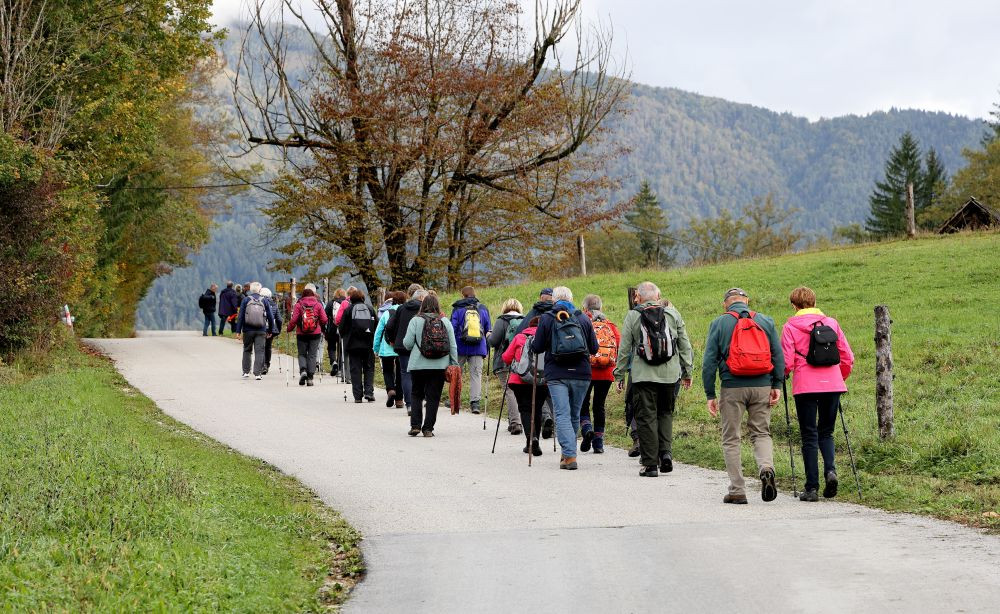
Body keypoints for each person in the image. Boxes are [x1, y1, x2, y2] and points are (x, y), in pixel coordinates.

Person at [703, 288, 784, 504]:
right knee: (761, 433)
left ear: (725, 305)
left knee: (731, 438)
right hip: (762, 385)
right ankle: (766, 468)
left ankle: (737, 490)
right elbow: (778, 354)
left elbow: (709, 361)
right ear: (747, 302)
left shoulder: (719, 323)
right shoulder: (765, 321)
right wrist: (776, 384)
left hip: (732, 387)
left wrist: (710, 393)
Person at [781, 286, 855, 502]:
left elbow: (786, 362)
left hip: (805, 386)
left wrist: (782, 376)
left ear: (794, 305)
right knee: (827, 432)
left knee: (809, 435)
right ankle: (830, 471)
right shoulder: (832, 323)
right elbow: (847, 356)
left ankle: (811, 488)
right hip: (833, 385)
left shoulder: (790, 327)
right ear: (814, 302)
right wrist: (839, 376)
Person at [614, 282, 694, 477]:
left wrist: (619, 374)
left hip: (643, 376)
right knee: (665, 413)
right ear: (658, 296)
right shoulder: (672, 314)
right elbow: (684, 344)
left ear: (638, 298)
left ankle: (650, 464)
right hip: (670, 375)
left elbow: (625, 348)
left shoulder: (633, 315)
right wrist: (687, 371)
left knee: (646, 417)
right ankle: (666, 454)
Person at [529, 286, 598, 470]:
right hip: (582, 374)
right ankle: (567, 453)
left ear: (554, 300)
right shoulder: (583, 318)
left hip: (557, 374)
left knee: (561, 414)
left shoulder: (547, 318)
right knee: (574, 414)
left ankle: (569, 455)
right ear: (572, 298)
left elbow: (537, 347)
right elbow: (594, 348)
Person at [403, 293, 458, 437]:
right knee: (433, 397)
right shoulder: (445, 321)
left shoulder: (415, 320)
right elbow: (452, 345)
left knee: (416, 394)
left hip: (418, 365)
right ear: (437, 305)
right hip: (440, 365)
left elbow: (408, 344)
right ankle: (428, 429)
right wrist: (454, 363)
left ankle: (415, 425)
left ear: (422, 305)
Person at [580, 294, 620, 454]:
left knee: (583, 403)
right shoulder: (610, 326)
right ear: (601, 308)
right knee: (599, 405)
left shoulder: (583, 324)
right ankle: (598, 442)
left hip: (586, 371)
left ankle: (587, 429)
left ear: (585, 309)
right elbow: (619, 346)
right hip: (606, 372)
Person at [502, 316, 546, 456]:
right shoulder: (547, 338)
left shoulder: (519, 337)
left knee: (525, 409)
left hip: (520, 380)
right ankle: (535, 439)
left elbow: (506, 358)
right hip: (542, 380)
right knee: (537, 409)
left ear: (529, 325)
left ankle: (530, 440)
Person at [515, 288, 556, 437]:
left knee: (537, 391)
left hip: (533, 361)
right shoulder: (557, 314)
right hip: (552, 360)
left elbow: (519, 333)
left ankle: (546, 419)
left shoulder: (532, 313)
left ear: (541, 298)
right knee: (550, 392)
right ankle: (552, 425)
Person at [450, 286, 492, 414]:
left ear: (462, 295)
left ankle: (455, 400)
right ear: (474, 294)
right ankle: (475, 403)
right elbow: (487, 328)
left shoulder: (458, 309)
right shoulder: (483, 308)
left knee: (457, 373)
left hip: (460, 346)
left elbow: (453, 327)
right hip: (478, 347)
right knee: (476, 374)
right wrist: (487, 347)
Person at [385, 286, 426, 415]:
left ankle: (409, 405)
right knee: (420, 374)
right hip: (421, 347)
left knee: (406, 374)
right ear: (421, 298)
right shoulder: (424, 309)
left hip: (402, 346)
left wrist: (392, 340)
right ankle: (419, 401)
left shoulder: (402, 308)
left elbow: (390, 326)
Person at [488, 299, 525, 435]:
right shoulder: (525, 320)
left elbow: (493, 342)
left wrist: (488, 335)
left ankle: (515, 422)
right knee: (520, 391)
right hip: (522, 362)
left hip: (504, 361)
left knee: (509, 391)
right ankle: (518, 420)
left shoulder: (501, 320)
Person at [339, 289, 376, 402]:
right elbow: (376, 324)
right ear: (363, 298)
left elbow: (342, 328)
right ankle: (369, 392)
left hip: (353, 344)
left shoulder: (348, 310)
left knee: (355, 369)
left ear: (351, 299)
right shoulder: (370, 309)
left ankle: (357, 396)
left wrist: (344, 336)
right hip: (368, 343)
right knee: (369, 368)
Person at [287, 283, 328, 386]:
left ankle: (303, 371)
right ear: (313, 294)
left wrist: (289, 328)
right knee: (312, 355)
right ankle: (310, 378)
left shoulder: (298, 304)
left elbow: (294, 320)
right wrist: (320, 326)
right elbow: (324, 319)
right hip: (315, 334)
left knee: (302, 354)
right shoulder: (318, 304)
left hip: (301, 333)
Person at [235, 281, 277, 380]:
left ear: (250, 289)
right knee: (260, 351)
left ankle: (246, 372)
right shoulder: (264, 301)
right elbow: (270, 317)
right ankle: (257, 373)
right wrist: (270, 330)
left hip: (248, 329)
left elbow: (240, 316)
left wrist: (238, 331)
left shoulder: (246, 300)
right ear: (259, 290)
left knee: (247, 350)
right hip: (261, 330)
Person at [374, 291, 406, 407]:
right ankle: (399, 400)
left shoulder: (386, 313)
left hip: (387, 347)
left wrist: (376, 348)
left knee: (387, 371)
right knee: (401, 373)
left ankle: (390, 390)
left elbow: (378, 332)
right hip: (401, 347)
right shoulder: (405, 312)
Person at [325, 288, 347, 376]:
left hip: (332, 329)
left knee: (331, 347)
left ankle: (333, 362)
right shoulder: (346, 303)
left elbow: (325, 315)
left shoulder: (331, 303)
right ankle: (340, 368)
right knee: (341, 348)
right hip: (342, 329)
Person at [260, 287, 282, 375]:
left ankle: (261, 364)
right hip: (270, 329)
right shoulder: (274, 304)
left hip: (260, 328)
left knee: (260, 347)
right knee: (268, 347)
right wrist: (278, 330)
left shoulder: (258, 303)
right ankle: (266, 364)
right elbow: (279, 319)